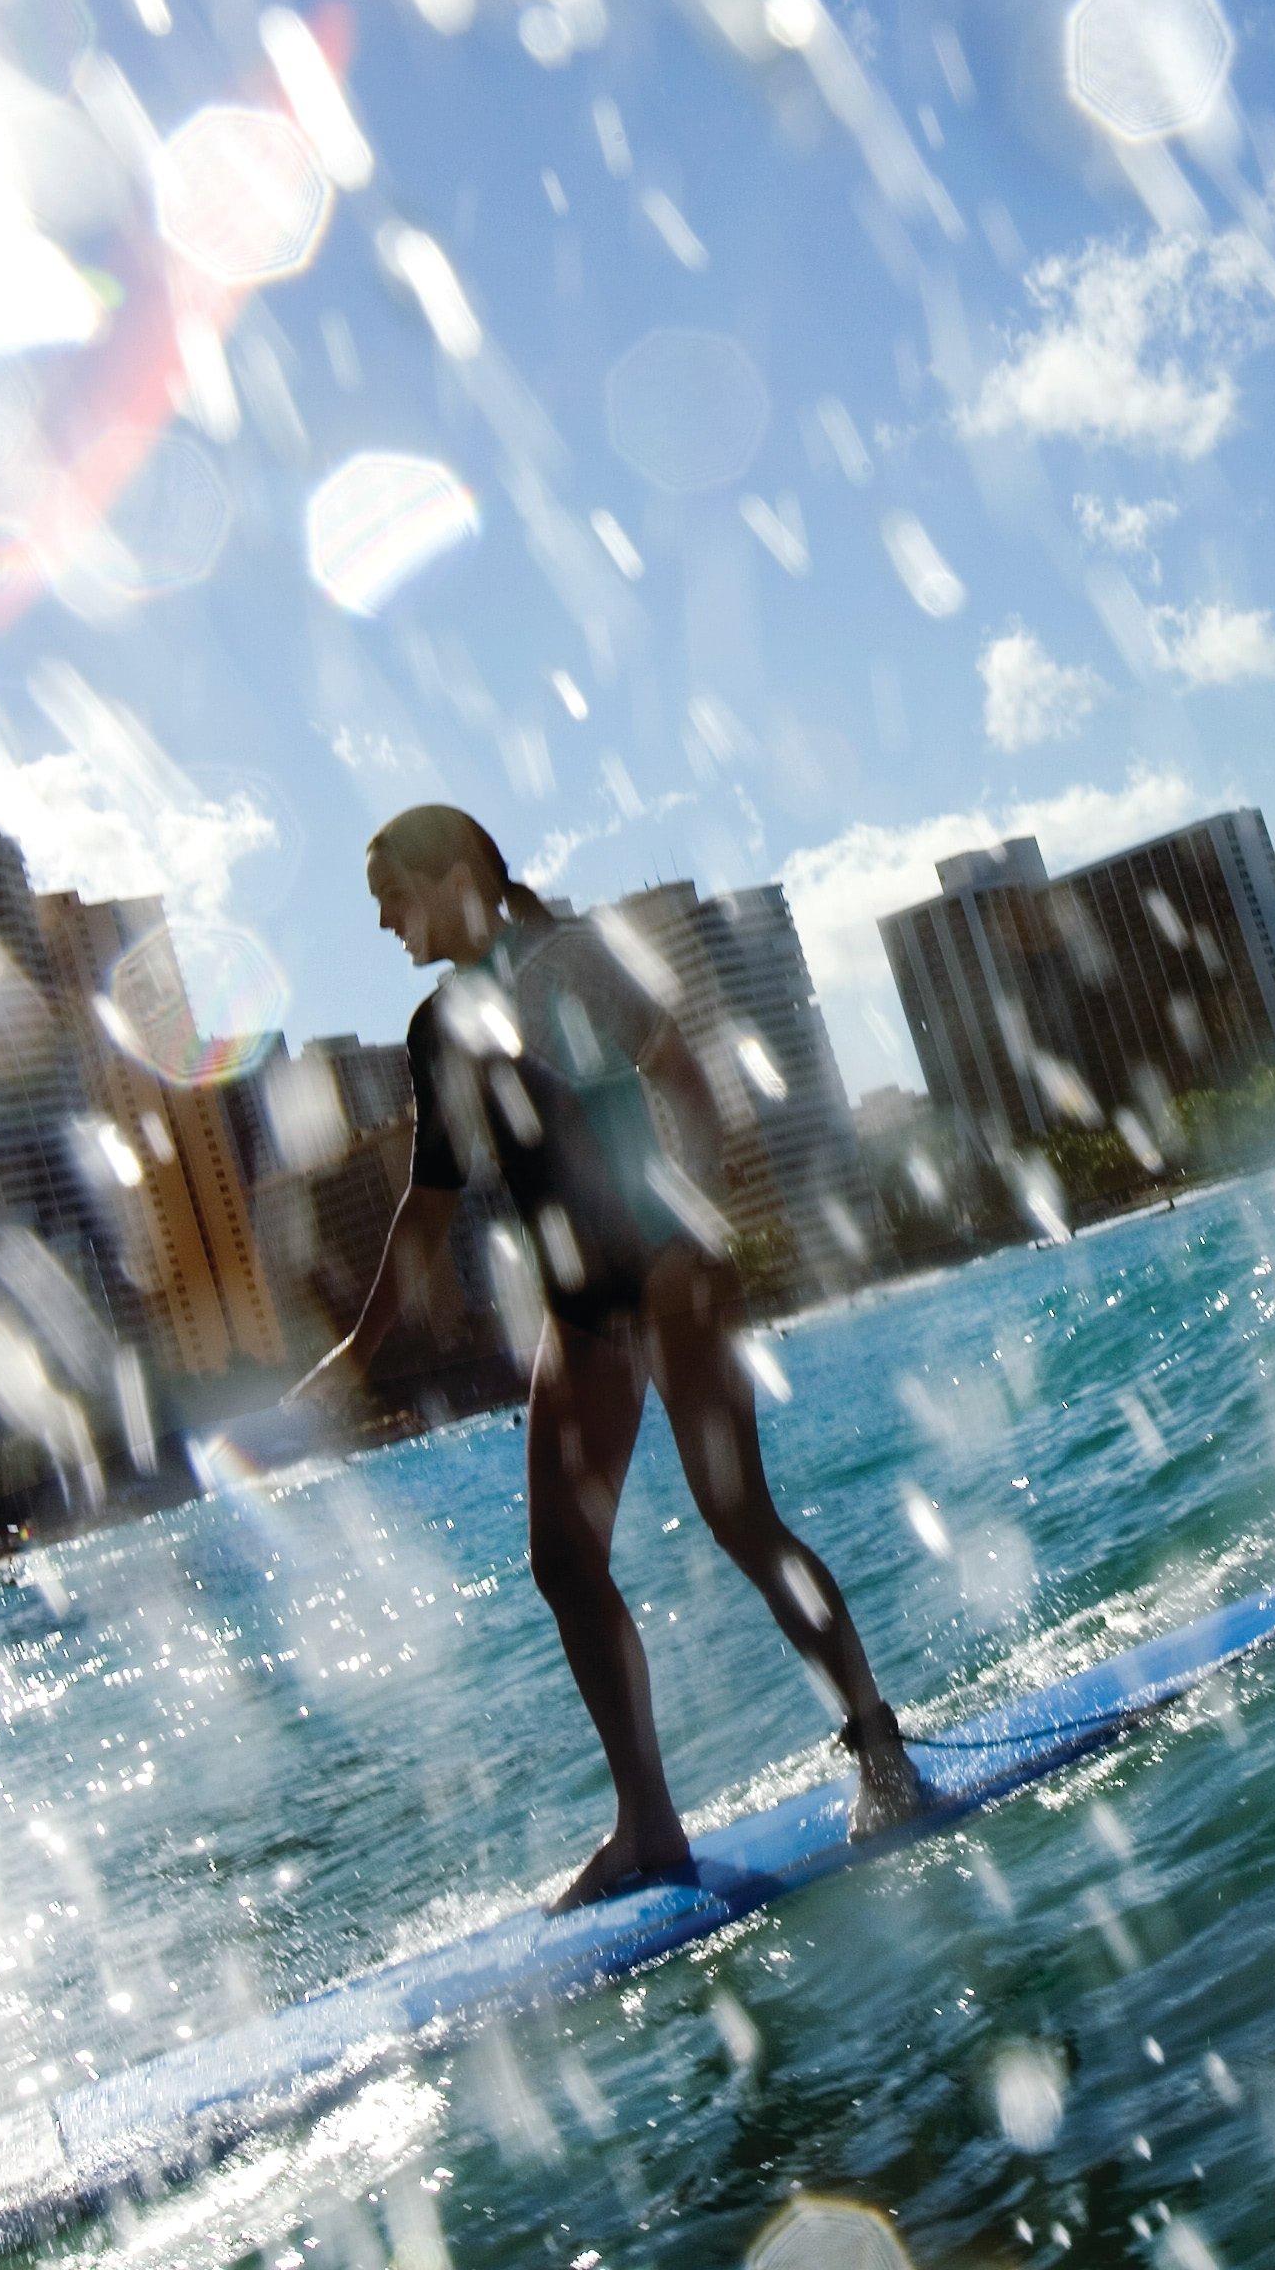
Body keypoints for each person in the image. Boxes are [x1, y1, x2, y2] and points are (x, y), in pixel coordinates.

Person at [296, 804, 927, 1905]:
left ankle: (881, 1755)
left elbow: (682, 1077)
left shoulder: (566, 960)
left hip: (668, 1270)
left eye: (393, 896)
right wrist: (359, 1348)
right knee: (563, 1559)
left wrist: (694, 1233)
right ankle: (648, 1823)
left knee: (740, 1518)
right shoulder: (437, 1028)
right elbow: (427, 1207)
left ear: (452, 876)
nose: (387, 921)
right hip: (582, 1305)